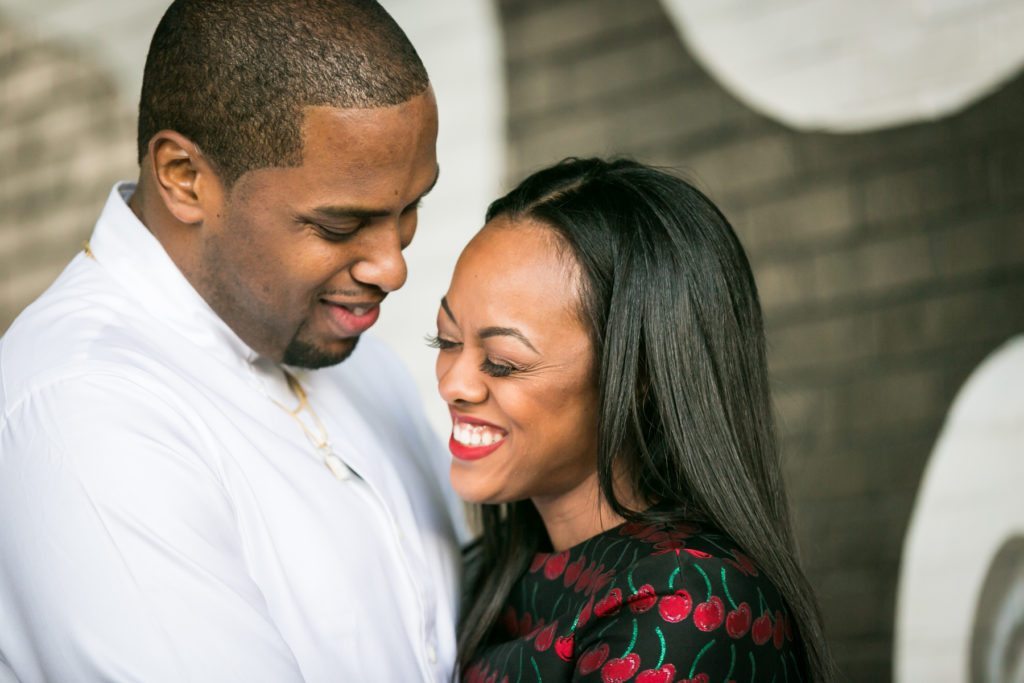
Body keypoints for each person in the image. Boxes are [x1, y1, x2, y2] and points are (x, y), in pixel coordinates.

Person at [0, 1, 464, 681]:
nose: (392, 266)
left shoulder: (352, 355)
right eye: (340, 226)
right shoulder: (79, 413)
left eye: (411, 209)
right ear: (185, 177)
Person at [432, 158, 837, 682]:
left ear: (639, 372)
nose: (452, 384)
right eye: (445, 340)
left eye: (503, 362)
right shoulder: (478, 574)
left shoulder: (688, 600)